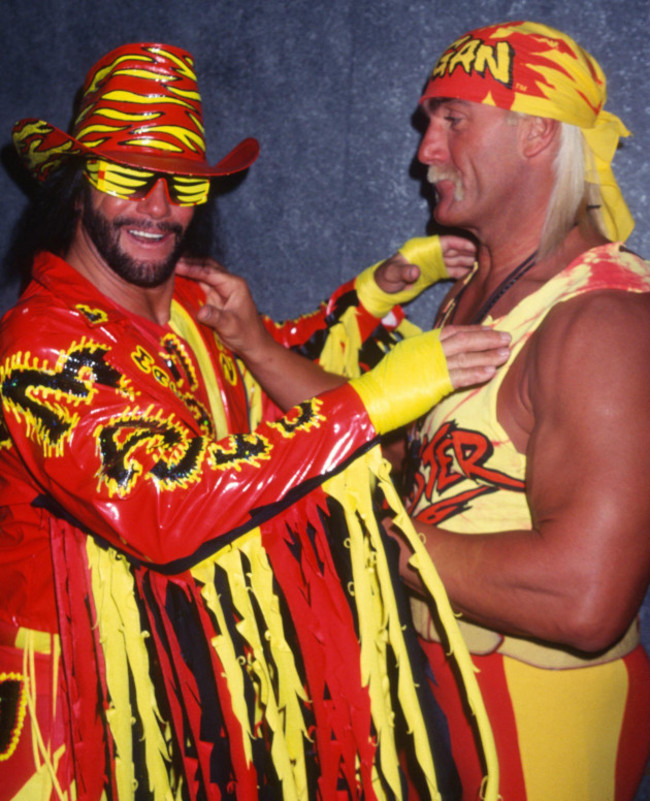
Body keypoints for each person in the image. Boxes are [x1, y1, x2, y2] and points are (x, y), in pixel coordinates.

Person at [0, 42, 511, 800]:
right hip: (75, 720)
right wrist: (374, 400)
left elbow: (262, 400)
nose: (158, 204)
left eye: (183, 184)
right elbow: (165, 497)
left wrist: (372, 294)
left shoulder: (191, 305)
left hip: (192, 696)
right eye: (127, 175)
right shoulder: (40, 344)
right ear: (76, 187)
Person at [388, 20, 650, 801]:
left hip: (540, 714)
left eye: (453, 119)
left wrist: (377, 544)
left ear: (539, 133)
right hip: (443, 688)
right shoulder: (475, 291)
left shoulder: (603, 322)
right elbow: (415, 464)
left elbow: (585, 596)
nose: (425, 151)